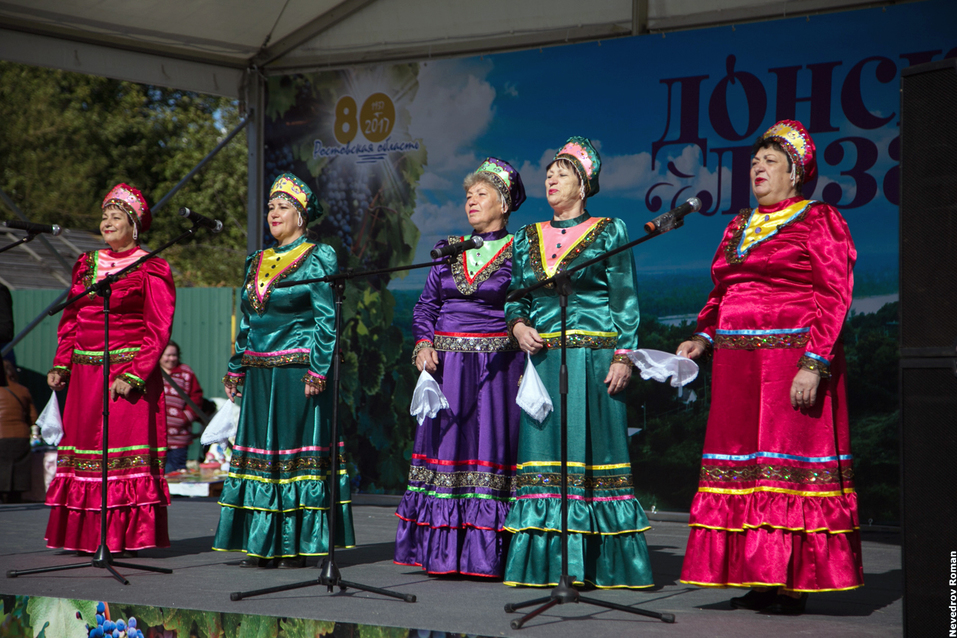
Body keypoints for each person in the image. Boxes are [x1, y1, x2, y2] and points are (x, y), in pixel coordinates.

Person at [676, 120, 862, 614]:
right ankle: (757, 576)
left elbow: (834, 294)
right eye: (755, 161)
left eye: (770, 161)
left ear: (796, 173)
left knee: (785, 471)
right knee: (745, 472)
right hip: (739, 367)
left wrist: (814, 362)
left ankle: (789, 583)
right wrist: (703, 336)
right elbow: (723, 293)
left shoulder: (818, 219)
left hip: (790, 363)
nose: (757, 167)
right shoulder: (738, 224)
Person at [504, 137, 653, 589]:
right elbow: (515, 297)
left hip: (594, 360)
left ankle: (595, 565)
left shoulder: (610, 231)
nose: (551, 178)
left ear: (584, 185)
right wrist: (518, 326)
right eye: (549, 172)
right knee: (545, 461)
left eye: (562, 172)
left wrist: (624, 355)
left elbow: (625, 298)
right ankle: (549, 566)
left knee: (594, 458)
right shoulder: (526, 236)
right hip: (546, 360)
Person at [214, 173, 354, 569]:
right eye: (271, 207)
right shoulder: (255, 261)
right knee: (262, 457)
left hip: (297, 372)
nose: (274, 213)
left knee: (293, 457)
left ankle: (294, 545)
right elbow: (247, 323)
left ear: (302, 216)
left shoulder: (318, 256)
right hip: (260, 373)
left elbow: (327, 319)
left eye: (283, 207)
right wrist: (236, 368)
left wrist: (319, 368)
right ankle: (261, 543)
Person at [394, 158, 526, 578]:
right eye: (468, 194)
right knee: (447, 451)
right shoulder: (448, 248)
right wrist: (422, 343)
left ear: (504, 204)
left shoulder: (520, 249)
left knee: (488, 450)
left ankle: (485, 555)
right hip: (448, 368)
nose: (471, 199)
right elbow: (426, 306)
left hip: (496, 369)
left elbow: (526, 304)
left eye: (482, 193)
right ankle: (442, 553)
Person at [45, 183, 175, 555]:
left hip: (126, 375)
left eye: (116, 216)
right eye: (104, 216)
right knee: (85, 453)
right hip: (86, 378)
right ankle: (84, 537)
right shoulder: (86, 264)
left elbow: (158, 327)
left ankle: (122, 538)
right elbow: (72, 318)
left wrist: (135, 374)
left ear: (134, 225)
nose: (107, 222)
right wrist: (62, 363)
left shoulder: (152, 266)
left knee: (120, 455)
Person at [160, 341, 205, 474]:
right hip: (156, 436)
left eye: (174, 355)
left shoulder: (186, 373)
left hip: (179, 437)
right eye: (167, 355)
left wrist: (186, 417)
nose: (171, 359)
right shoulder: (152, 371)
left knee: (177, 474)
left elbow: (196, 397)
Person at [0, 360, 37, 503]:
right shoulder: (23, 390)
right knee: (19, 471)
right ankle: (15, 497)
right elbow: (33, 417)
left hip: (1, 437)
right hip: (20, 436)